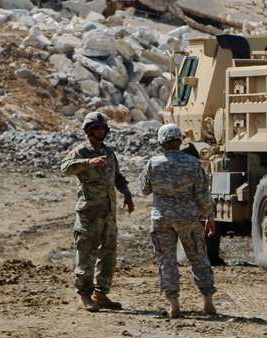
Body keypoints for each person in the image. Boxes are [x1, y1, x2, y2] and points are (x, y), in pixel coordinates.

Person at [140, 123, 217, 319]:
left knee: (166, 259)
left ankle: (174, 303)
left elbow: (144, 190)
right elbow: (203, 194)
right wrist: (210, 217)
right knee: (198, 256)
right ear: (180, 140)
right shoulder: (192, 163)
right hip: (188, 217)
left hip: (161, 218)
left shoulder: (153, 163)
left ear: (161, 142)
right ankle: (208, 300)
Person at [60, 111, 134, 312]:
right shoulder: (82, 151)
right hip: (89, 213)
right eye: (97, 127)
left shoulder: (109, 152)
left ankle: (101, 293)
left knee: (109, 253)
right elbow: (64, 168)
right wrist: (87, 163)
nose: (101, 131)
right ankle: (85, 295)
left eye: (103, 127)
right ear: (88, 130)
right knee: (87, 252)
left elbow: (117, 176)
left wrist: (127, 194)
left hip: (109, 212)